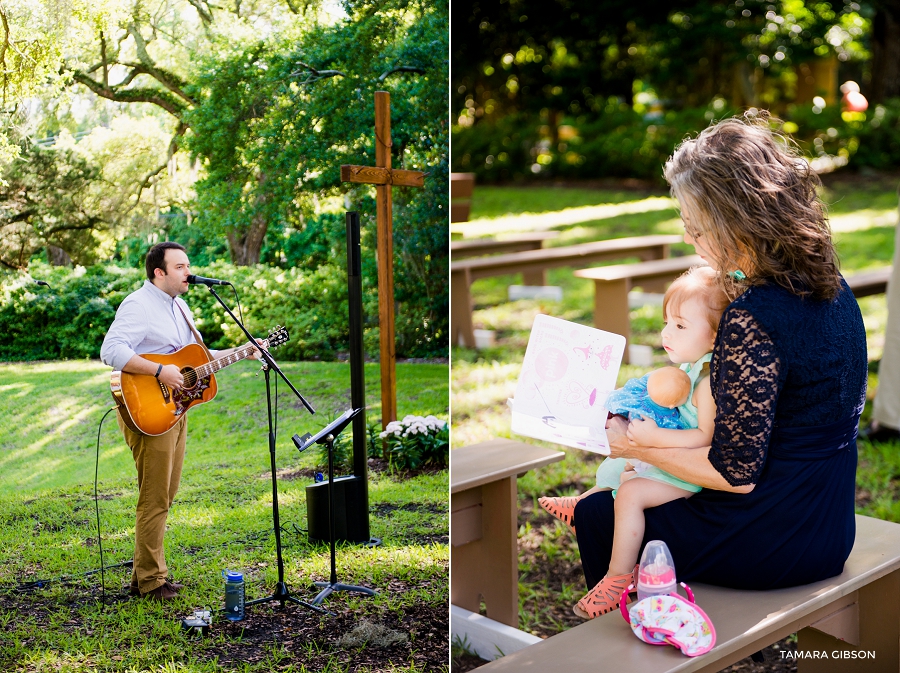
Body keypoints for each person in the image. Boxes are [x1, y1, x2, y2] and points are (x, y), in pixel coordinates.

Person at [570, 112, 867, 620]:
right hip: (829, 517)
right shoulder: (831, 285)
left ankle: (642, 636)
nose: (691, 242)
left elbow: (735, 475)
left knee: (599, 511)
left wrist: (635, 445)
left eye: (696, 229)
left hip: (777, 536)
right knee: (623, 496)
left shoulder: (753, 317)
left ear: (735, 223)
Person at [538, 266, 729, 617]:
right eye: (667, 322)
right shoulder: (687, 368)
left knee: (630, 493)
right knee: (616, 465)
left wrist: (653, 438)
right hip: (664, 452)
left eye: (681, 326)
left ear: (716, 337)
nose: (666, 333)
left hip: (684, 473)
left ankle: (616, 580)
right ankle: (584, 504)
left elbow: (705, 437)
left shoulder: (707, 383)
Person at [101, 242, 261, 601]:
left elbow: (198, 358)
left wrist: (243, 352)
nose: (188, 271)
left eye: (188, 265)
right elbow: (111, 350)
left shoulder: (181, 306)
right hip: (147, 411)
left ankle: (143, 574)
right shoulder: (138, 304)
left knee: (165, 495)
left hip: (176, 410)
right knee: (155, 497)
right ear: (159, 272)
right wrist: (160, 370)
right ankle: (152, 582)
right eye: (180, 267)